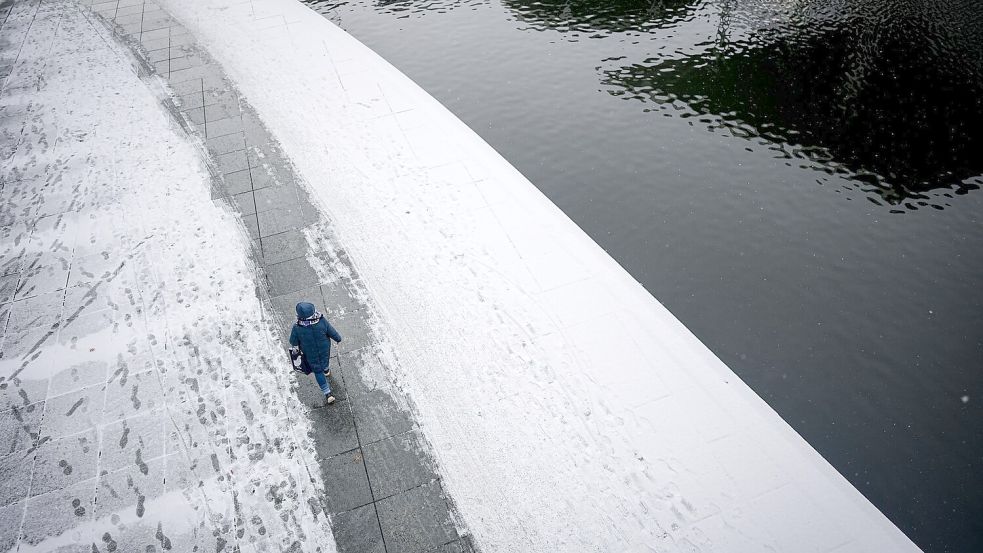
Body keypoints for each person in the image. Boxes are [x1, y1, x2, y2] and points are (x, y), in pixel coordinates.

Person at [289, 301, 342, 406]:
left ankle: (328, 394)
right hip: (324, 348)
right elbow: (331, 331)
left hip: (310, 353)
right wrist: (338, 338)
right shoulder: (321, 321)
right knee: (325, 360)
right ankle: (326, 370)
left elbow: (293, 341)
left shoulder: (297, 328)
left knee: (317, 371)